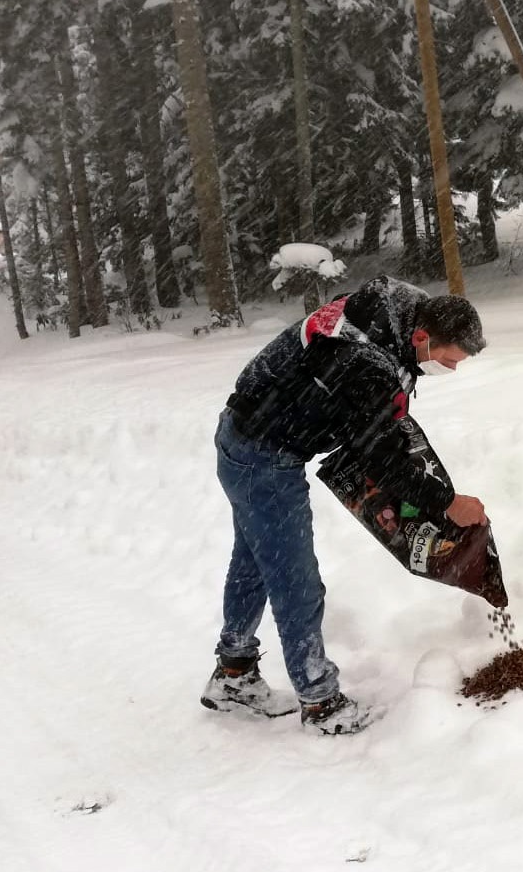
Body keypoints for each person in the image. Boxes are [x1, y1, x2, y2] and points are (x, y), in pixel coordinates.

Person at [200, 275, 488, 735]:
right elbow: (376, 457)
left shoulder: (401, 307)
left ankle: (233, 674)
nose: (450, 371)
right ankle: (320, 702)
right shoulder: (363, 363)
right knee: (295, 580)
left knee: (255, 560)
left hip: (247, 433)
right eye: (447, 361)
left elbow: (375, 418)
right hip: (264, 454)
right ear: (421, 337)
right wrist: (446, 503)